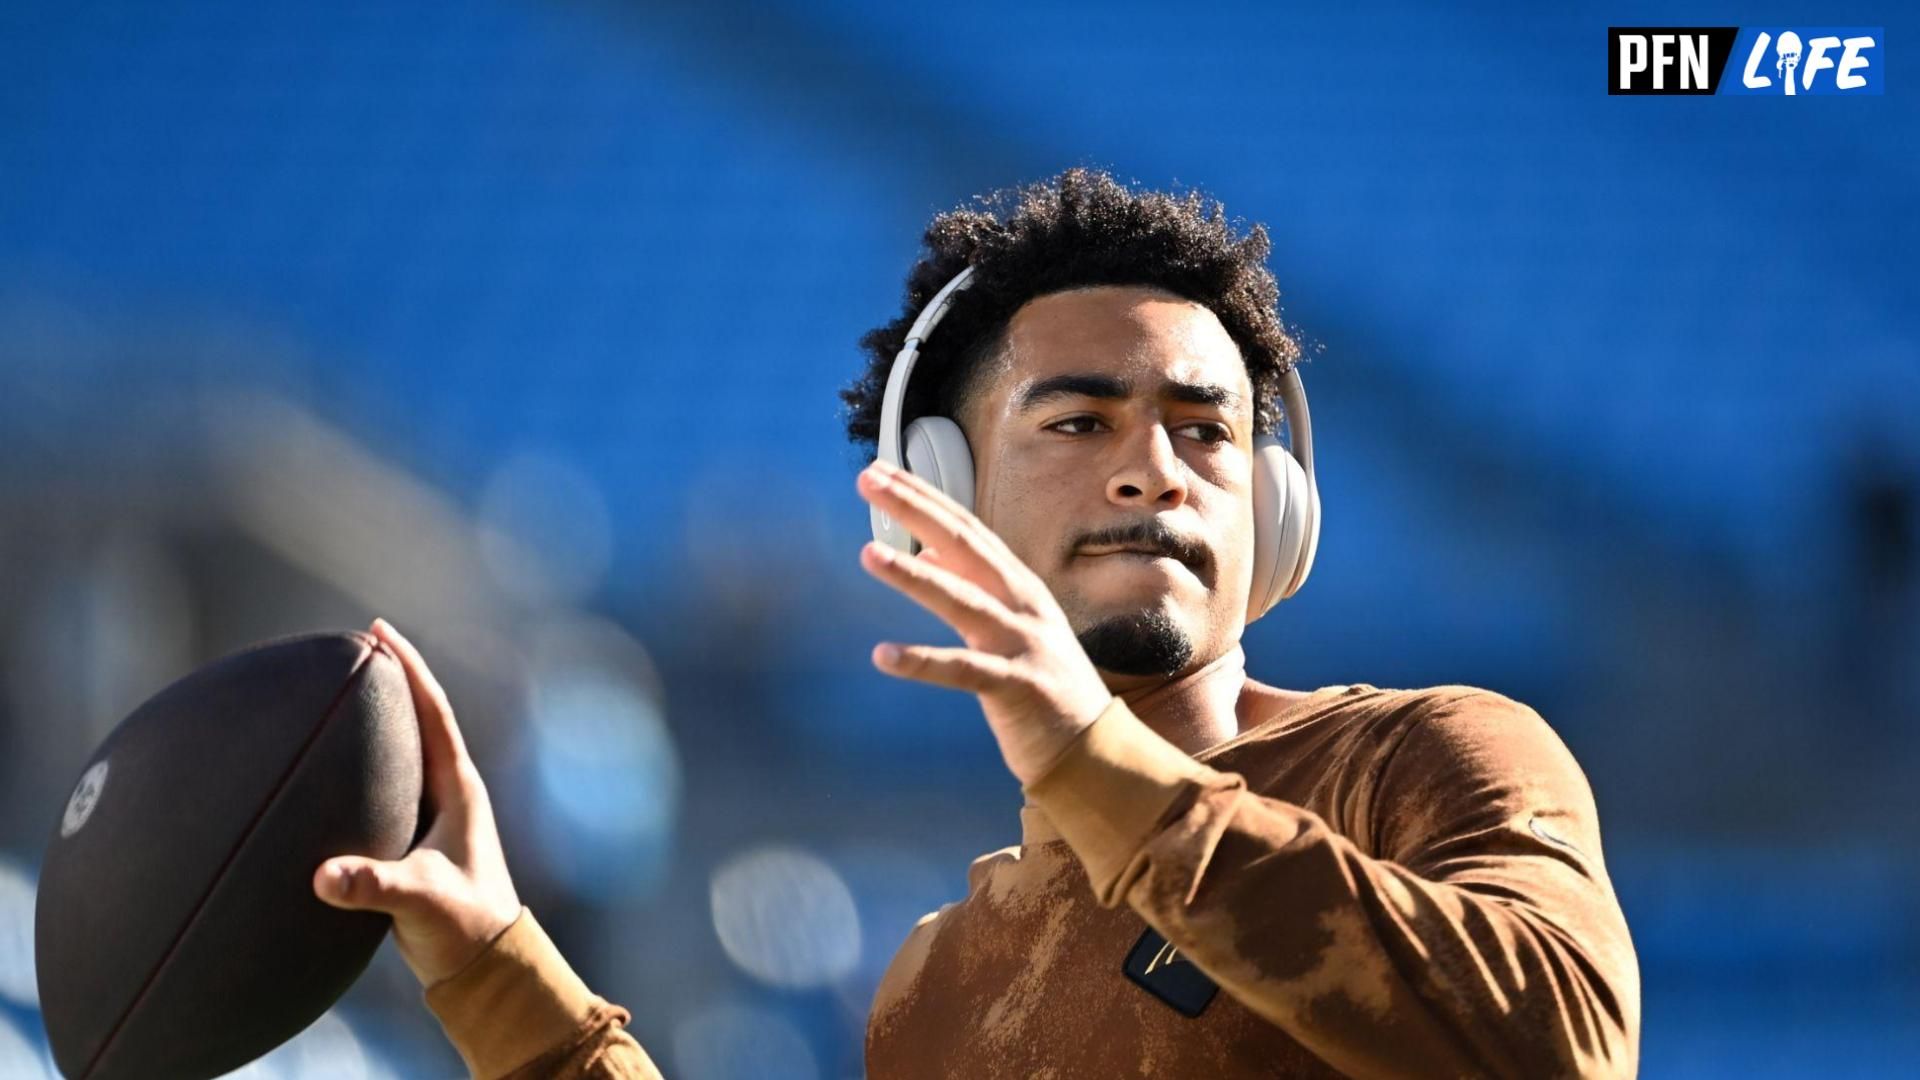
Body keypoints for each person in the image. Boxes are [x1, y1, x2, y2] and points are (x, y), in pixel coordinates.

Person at [314, 169, 1640, 1078]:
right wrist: (498, 975)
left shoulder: (1434, 759)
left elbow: (1559, 1049)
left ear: (1277, 513)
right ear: (939, 500)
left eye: (1206, 431)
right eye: (1079, 422)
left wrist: (1108, 773)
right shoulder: (945, 987)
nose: (1156, 471)